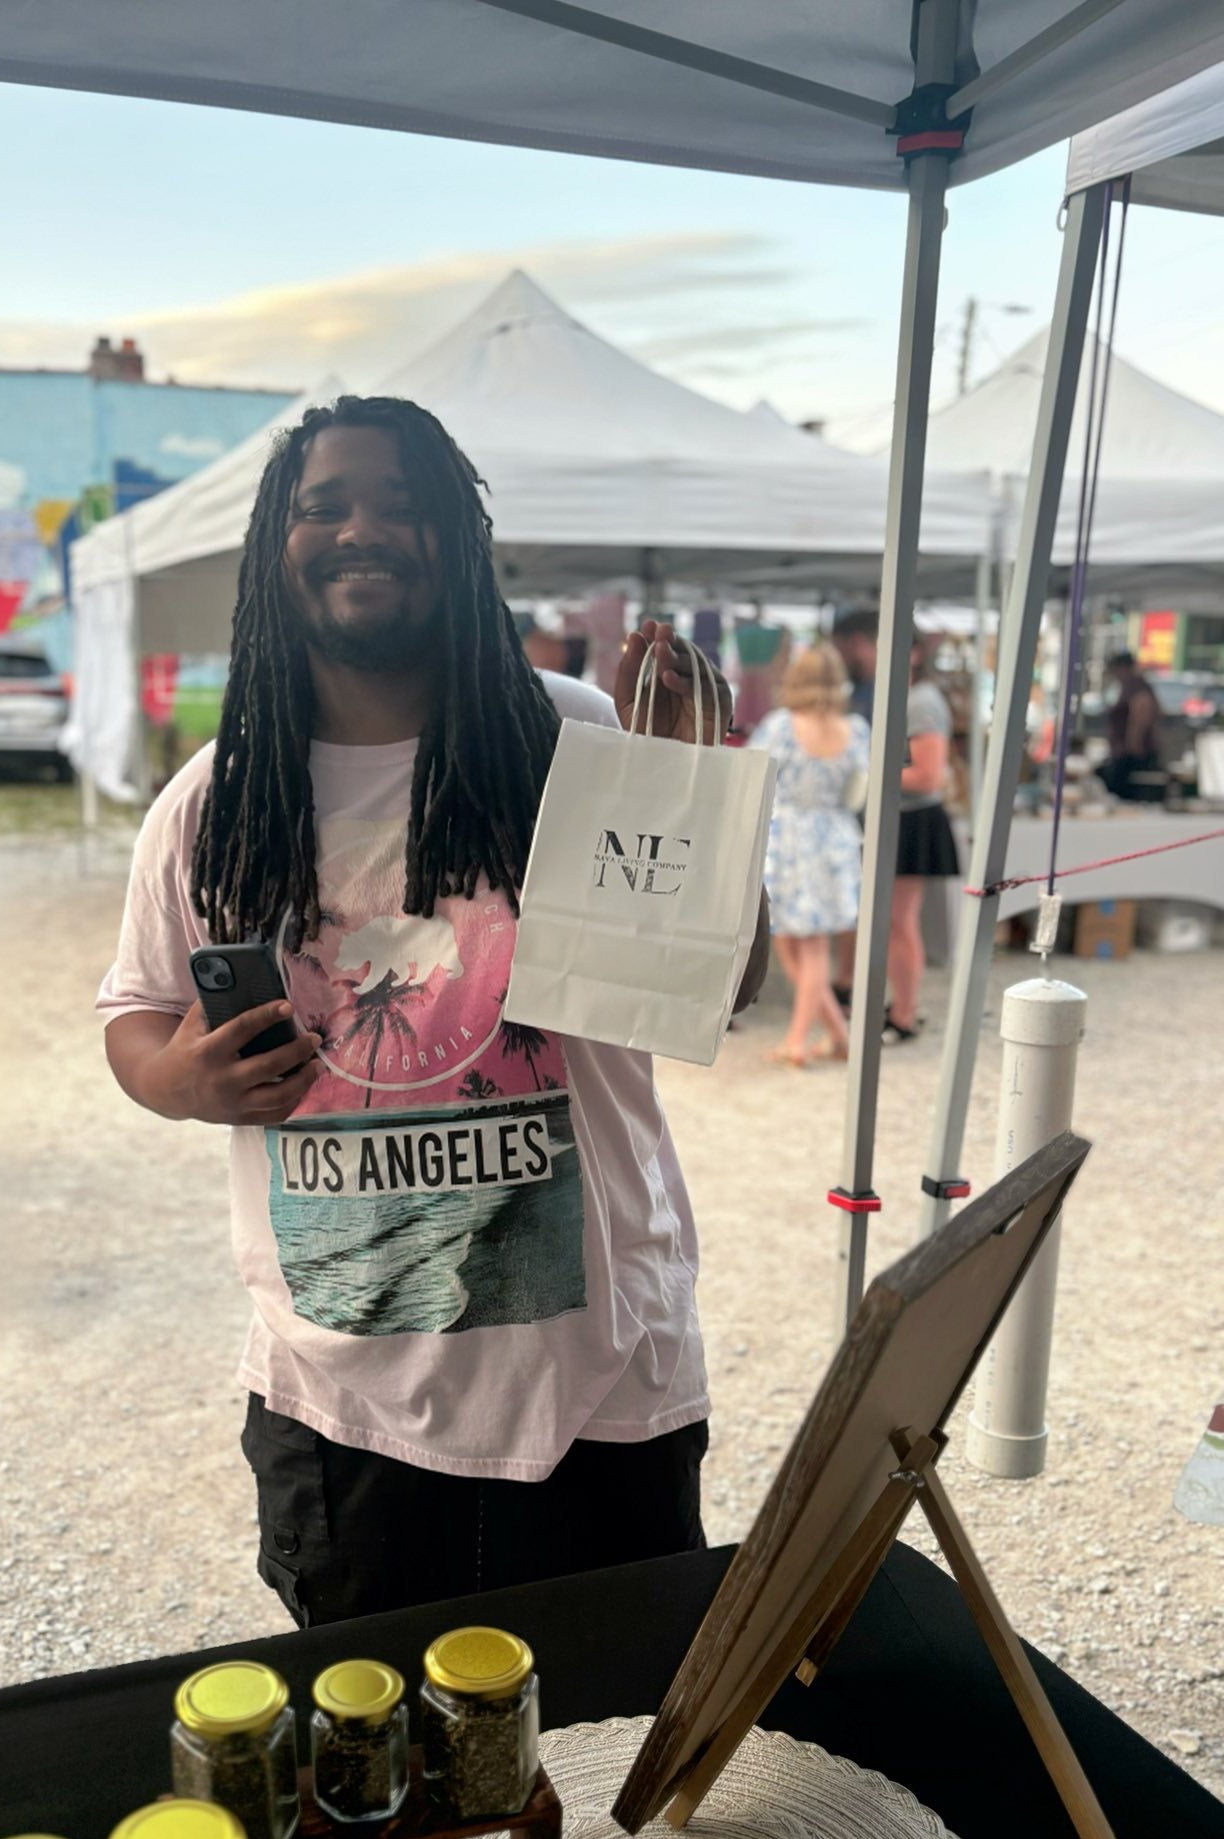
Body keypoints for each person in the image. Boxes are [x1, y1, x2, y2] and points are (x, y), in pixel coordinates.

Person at [97, 393, 769, 1627]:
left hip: (601, 1388)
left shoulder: (573, 735)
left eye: (406, 506)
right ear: (271, 546)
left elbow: (721, 988)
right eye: (326, 505)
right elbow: (136, 1009)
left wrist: (696, 807)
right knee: (389, 1784)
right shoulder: (215, 799)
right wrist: (179, 1079)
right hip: (344, 1404)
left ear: (462, 541)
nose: (367, 529)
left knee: (609, 1764)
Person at [748, 644, 868, 1067]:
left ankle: (797, 1040)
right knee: (804, 942)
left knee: (800, 943)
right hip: (833, 836)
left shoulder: (780, 725)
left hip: (786, 836)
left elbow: (751, 773)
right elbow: (860, 786)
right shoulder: (855, 729)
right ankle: (840, 1035)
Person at [885, 634, 959, 1046]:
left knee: (901, 922)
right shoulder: (915, 698)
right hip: (907, 820)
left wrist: (869, 771)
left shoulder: (922, 702)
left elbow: (928, 776)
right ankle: (902, 1006)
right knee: (898, 922)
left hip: (916, 821)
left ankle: (905, 1013)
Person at [828, 606, 878, 1007]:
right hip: (855, 815)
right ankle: (847, 980)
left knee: (863, 908)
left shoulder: (882, 690)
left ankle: (851, 982)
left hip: (866, 814)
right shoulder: (863, 689)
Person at [1096, 652, 1162, 800]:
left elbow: (1141, 711)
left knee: (1123, 792)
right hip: (1126, 751)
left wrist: (1134, 742)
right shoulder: (1131, 686)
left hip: (1130, 753)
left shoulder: (1136, 686)